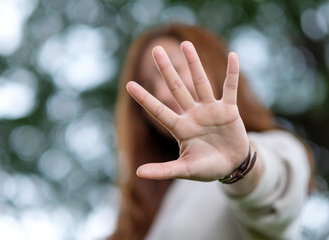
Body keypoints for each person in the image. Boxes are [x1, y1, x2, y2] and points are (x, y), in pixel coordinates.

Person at [109, 24, 314, 240]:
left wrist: (241, 165)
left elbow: (275, 193)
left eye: (174, 70)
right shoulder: (149, 204)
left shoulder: (274, 146)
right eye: (149, 87)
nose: (161, 93)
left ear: (211, 65)